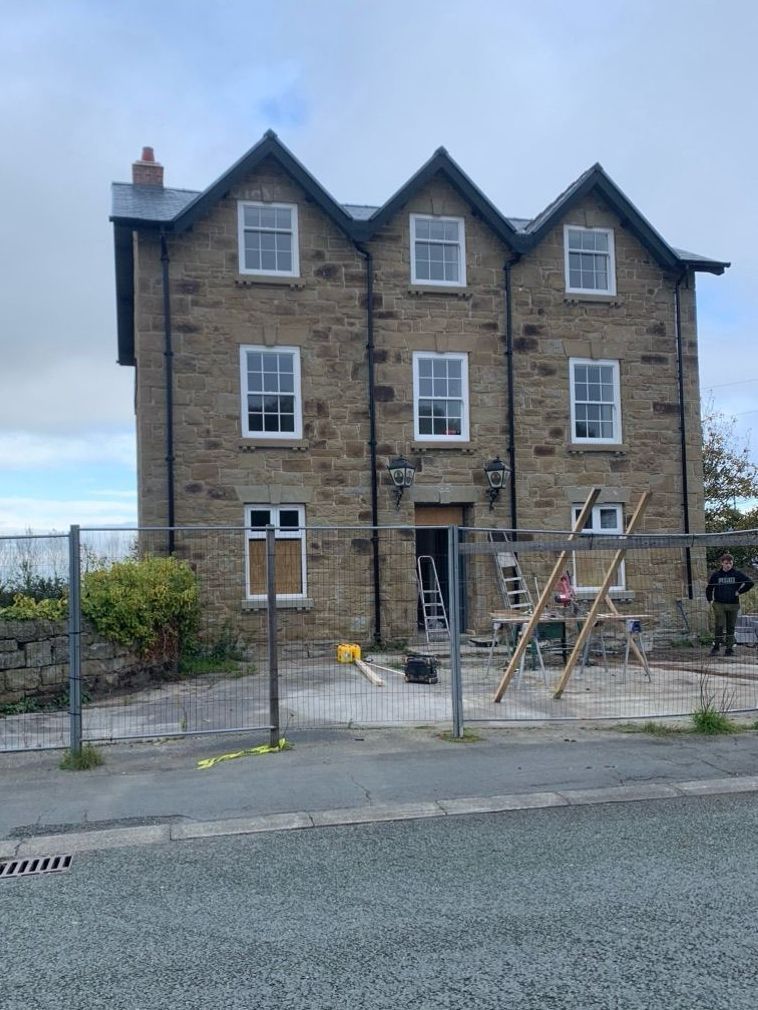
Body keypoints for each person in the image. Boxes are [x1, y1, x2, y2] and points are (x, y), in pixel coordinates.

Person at [706, 553, 754, 656]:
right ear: (722, 563)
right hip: (719, 603)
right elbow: (709, 588)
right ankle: (716, 647)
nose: (728, 565)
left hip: (733, 604)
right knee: (719, 625)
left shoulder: (737, 574)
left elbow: (750, 583)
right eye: (726, 563)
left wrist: (739, 591)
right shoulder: (716, 575)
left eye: (730, 563)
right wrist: (710, 600)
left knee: (731, 627)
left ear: (732, 563)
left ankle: (729, 649)